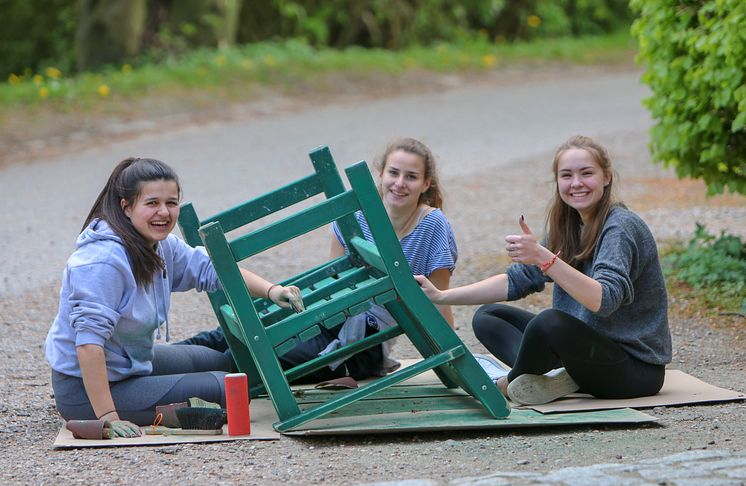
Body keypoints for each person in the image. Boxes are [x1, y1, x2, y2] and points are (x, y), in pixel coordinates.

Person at [45, 158, 300, 436]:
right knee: (225, 388)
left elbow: (213, 268)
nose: (164, 212)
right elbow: (88, 346)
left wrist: (272, 290)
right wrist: (108, 416)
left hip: (130, 363)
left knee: (223, 363)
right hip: (84, 389)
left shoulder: (160, 245)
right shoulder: (102, 262)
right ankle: (117, 406)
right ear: (126, 206)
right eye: (152, 203)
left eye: (172, 203)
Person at [415, 135, 672, 405]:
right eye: (566, 175)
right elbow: (516, 282)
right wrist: (442, 296)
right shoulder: (570, 226)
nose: (576, 183)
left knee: (550, 322)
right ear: (557, 181)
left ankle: (509, 383)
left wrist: (543, 257)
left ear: (606, 177)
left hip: (633, 371)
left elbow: (603, 300)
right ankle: (551, 379)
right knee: (488, 316)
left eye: (587, 173)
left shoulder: (620, 227)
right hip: (585, 356)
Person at [278, 137, 459, 381]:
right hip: (333, 317)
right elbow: (334, 279)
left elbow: (439, 297)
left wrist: (454, 360)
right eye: (393, 173)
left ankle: (214, 378)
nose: (399, 183)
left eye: (411, 177)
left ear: (426, 183)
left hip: (366, 341)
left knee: (265, 358)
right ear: (381, 173)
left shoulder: (433, 226)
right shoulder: (355, 216)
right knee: (248, 338)